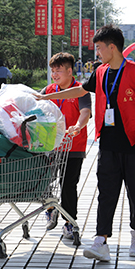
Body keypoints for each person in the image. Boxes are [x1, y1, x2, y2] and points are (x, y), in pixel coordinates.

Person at [36, 24, 135, 262]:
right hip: (108, 144)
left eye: (100, 48)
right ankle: (101, 241)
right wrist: (46, 96)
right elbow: (79, 91)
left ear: (112, 47)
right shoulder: (100, 72)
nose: (98, 53)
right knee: (106, 193)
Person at [40, 52, 91, 239]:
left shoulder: (80, 90)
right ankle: (50, 209)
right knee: (42, 179)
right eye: (52, 71)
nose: (54, 74)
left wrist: (77, 126)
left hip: (73, 146)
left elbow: (85, 112)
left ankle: (69, 222)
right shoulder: (48, 90)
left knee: (68, 185)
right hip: (50, 146)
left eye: (58, 71)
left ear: (70, 71)